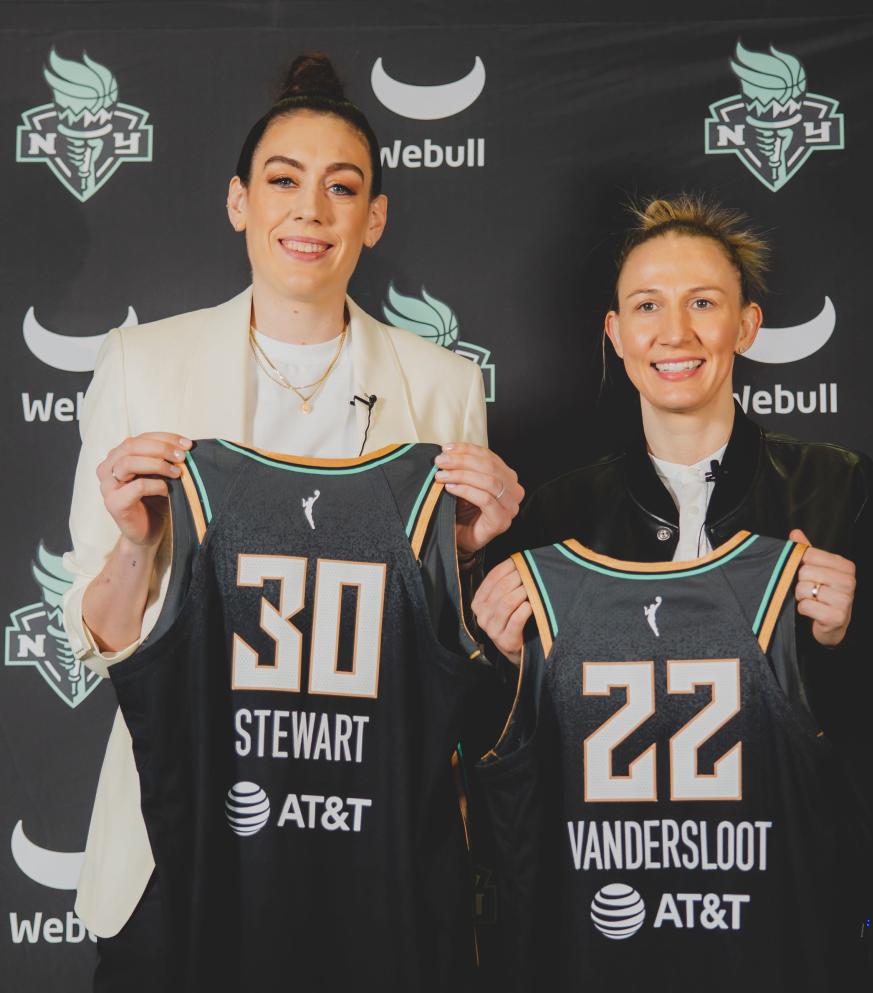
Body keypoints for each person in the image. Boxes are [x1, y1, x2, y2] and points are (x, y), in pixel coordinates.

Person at [63, 52, 522, 988]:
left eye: (341, 187)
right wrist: (136, 543)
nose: (309, 210)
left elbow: (444, 646)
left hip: (372, 828)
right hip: (187, 827)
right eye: (283, 181)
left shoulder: (443, 387)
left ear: (375, 216)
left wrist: (467, 553)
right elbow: (97, 634)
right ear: (239, 201)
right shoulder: (141, 364)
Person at [472, 195, 873, 988]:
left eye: (703, 303)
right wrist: (502, 659)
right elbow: (500, 754)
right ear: (615, 333)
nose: (675, 333)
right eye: (648, 306)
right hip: (607, 919)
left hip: (783, 916)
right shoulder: (555, 516)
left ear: (746, 326)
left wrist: (848, 636)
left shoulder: (838, 489)